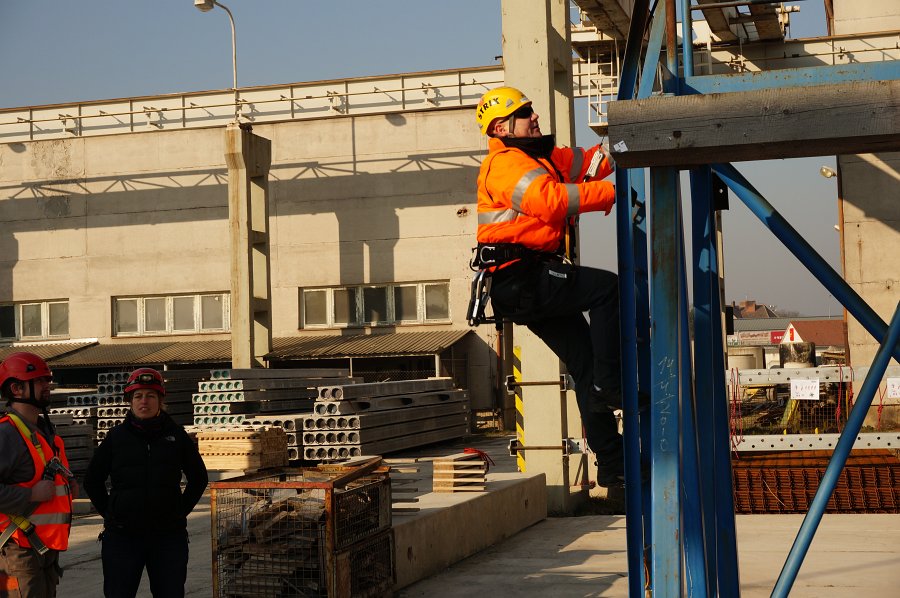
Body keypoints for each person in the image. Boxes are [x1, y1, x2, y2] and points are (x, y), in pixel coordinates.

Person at [473, 86, 628, 487]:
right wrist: (612, 194)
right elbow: (549, 201)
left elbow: (592, 162)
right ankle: (611, 385)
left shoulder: (541, 156)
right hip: (521, 278)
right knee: (607, 289)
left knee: (585, 365)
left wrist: (628, 134)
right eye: (525, 113)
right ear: (502, 127)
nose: (535, 116)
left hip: (530, 279)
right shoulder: (504, 164)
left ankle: (613, 465)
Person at [84, 368, 207, 598]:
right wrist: (112, 513)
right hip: (123, 538)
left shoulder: (176, 436)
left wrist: (178, 512)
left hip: (167, 537)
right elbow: (92, 480)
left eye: (150, 395)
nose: (144, 401)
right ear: (130, 401)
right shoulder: (116, 437)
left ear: (160, 400)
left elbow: (199, 478)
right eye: (138, 396)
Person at [0, 352, 74, 597]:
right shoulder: (6, 435)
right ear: (16, 389)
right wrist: (30, 495)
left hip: (44, 550)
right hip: (18, 551)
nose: (47, 385)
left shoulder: (43, 431)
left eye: (47, 380)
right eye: (40, 381)